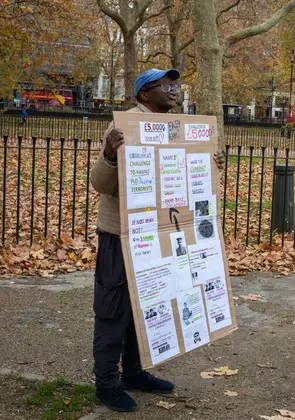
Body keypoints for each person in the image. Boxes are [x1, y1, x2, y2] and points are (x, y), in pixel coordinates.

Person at [90, 68, 225, 413]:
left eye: (176, 84)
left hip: (157, 235)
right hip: (121, 235)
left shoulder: (176, 128)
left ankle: (134, 373)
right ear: (145, 94)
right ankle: (106, 383)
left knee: (145, 306)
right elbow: (101, 185)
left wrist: (208, 163)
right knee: (112, 310)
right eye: (166, 85)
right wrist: (108, 154)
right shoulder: (126, 125)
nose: (174, 89)